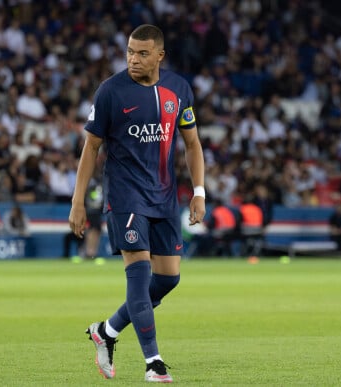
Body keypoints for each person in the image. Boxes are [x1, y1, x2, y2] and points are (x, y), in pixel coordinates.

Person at [68, 24, 206, 383]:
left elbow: (192, 144)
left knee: (169, 279)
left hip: (163, 197)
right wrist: (78, 202)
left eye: (142, 53)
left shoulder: (179, 89)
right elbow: (91, 149)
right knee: (140, 275)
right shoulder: (111, 91)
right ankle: (153, 362)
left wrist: (199, 191)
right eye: (130, 51)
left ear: (159, 55)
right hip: (125, 197)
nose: (133, 58)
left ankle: (107, 331)